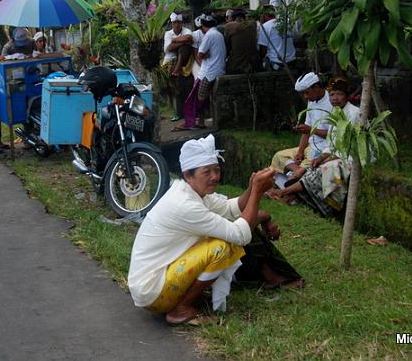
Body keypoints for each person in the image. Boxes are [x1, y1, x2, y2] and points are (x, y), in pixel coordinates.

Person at [128, 135, 302, 326]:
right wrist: (257, 192)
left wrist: (252, 188)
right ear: (188, 175)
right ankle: (181, 309)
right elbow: (240, 235)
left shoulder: (192, 192)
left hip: (154, 284)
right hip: (152, 291)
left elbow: (230, 209)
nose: (215, 177)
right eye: (207, 172)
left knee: (230, 228)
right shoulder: (185, 204)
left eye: (216, 170)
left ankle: (188, 298)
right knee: (224, 246)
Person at [266, 77, 361, 214]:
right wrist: (322, 157)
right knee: (314, 166)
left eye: (339, 94)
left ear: (346, 96)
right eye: (332, 94)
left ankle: (283, 192)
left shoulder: (354, 113)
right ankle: (287, 194)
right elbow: (333, 142)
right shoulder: (336, 112)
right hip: (333, 154)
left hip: (351, 157)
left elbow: (350, 146)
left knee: (318, 171)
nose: (335, 98)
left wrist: (328, 158)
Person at [269, 72, 333, 180]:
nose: (306, 96)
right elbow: (306, 131)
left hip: (323, 150)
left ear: (316, 88)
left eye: (307, 93)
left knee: (298, 175)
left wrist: (311, 130)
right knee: (278, 157)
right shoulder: (312, 101)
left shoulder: (332, 102)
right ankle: (298, 171)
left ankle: (298, 175)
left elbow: (333, 135)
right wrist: (300, 152)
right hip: (310, 146)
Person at [175, 14, 225, 131]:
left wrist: (205, 54)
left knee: (197, 98)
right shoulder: (218, 34)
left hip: (209, 72)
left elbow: (200, 54)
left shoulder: (208, 35)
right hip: (217, 70)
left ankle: (191, 122)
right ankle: (200, 122)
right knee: (199, 97)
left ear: (202, 26)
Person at [162, 13, 193, 122]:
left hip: (184, 60)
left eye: (179, 22)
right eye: (174, 23)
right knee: (171, 88)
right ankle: (176, 111)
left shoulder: (187, 31)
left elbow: (189, 38)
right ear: (172, 24)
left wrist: (175, 41)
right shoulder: (167, 34)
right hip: (169, 61)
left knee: (184, 48)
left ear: (182, 23)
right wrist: (181, 41)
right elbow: (168, 48)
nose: (177, 25)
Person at [258, 5, 296, 71]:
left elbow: (263, 51)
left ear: (264, 15)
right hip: (292, 61)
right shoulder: (285, 23)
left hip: (278, 64)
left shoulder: (265, 26)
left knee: (262, 60)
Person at [224, 9, 259, 74]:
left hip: (236, 66)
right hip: (253, 65)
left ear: (233, 18)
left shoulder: (229, 26)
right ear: (244, 17)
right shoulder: (253, 25)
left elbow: (227, 49)